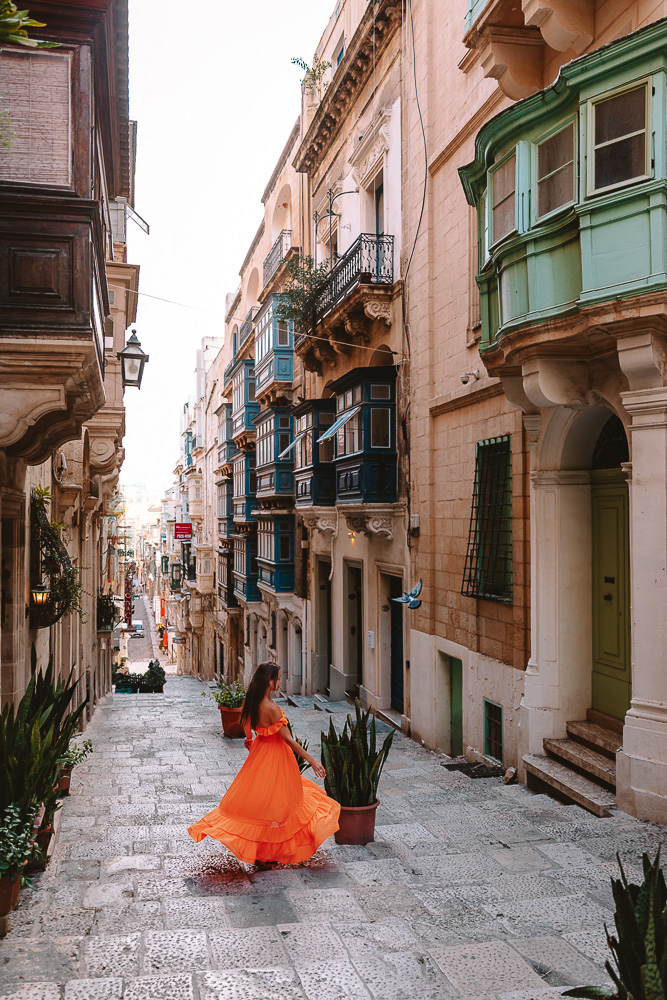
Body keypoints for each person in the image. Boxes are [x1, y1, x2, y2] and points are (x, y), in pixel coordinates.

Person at [188, 661, 340, 866]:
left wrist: (250, 739)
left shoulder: (253, 700)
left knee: (261, 802)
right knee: (279, 805)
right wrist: (312, 760)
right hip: (277, 757)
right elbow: (289, 740)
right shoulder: (272, 708)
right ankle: (272, 852)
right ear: (269, 682)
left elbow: (244, 722)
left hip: (260, 753)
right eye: (278, 678)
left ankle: (261, 852)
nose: (280, 681)